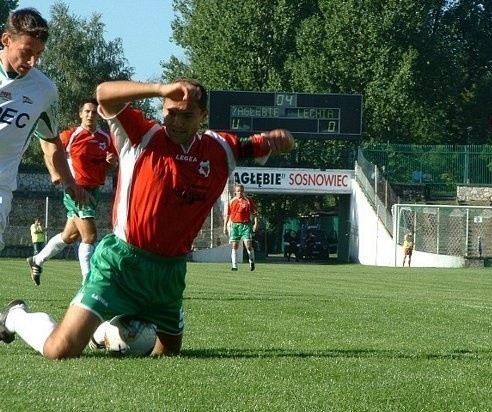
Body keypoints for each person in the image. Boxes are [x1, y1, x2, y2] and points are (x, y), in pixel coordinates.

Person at [0, 78, 294, 359]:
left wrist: (277, 141)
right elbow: (103, 92)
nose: (177, 122)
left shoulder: (219, 148)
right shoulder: (140, 133)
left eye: (187, 116)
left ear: (203, 115)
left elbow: (256, 144)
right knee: (59, 350)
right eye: (171, 113)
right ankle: (17, 317)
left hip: (169, 273)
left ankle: (104, 332)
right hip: (120, 264)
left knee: (167, 353)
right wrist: (159, 88)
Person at [0, 8, 88, 254]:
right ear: (6, 40)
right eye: (27, 52)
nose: (32, 62)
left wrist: (69, 182)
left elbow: (50, 141)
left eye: (38, 54)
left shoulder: (44, 90)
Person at [27, 98, 118, 285]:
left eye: (94, 112)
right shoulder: (71, 135)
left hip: (94, 191)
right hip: (76, 190)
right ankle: (88, 282)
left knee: (70, 236)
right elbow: (49, 152)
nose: (90, 115)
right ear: (80, 114)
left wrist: (112, 163)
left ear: (99, 115)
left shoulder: (106, 138)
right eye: (87, 112)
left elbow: (112, 165)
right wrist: (54, 172)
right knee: (90, 235)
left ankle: (36, 260)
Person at [223, 184, 259, 271]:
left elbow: (255, 213)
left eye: (241, 191)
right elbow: (227, 215)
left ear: (244, 191)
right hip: (235, 225)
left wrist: (256, 223)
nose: (240, 193)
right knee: (234, 246)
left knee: (248, 245)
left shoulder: (248, 201)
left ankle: (251, 261)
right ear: (235, 192)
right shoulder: (231, 202)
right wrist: (225, 226)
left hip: (246, 225)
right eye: (238, 191)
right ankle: (234, 266)